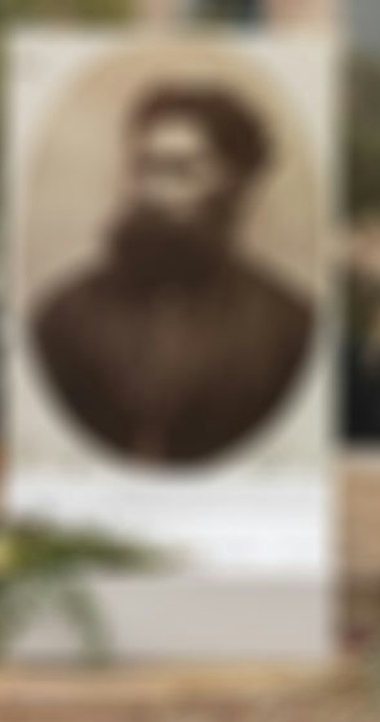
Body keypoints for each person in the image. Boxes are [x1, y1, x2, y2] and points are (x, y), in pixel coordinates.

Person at [31, 79, 315, 466]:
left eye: (180, 171)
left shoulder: (289, 325)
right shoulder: (65, 314)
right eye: (144, 168)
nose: (154, 191)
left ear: (232, 184)